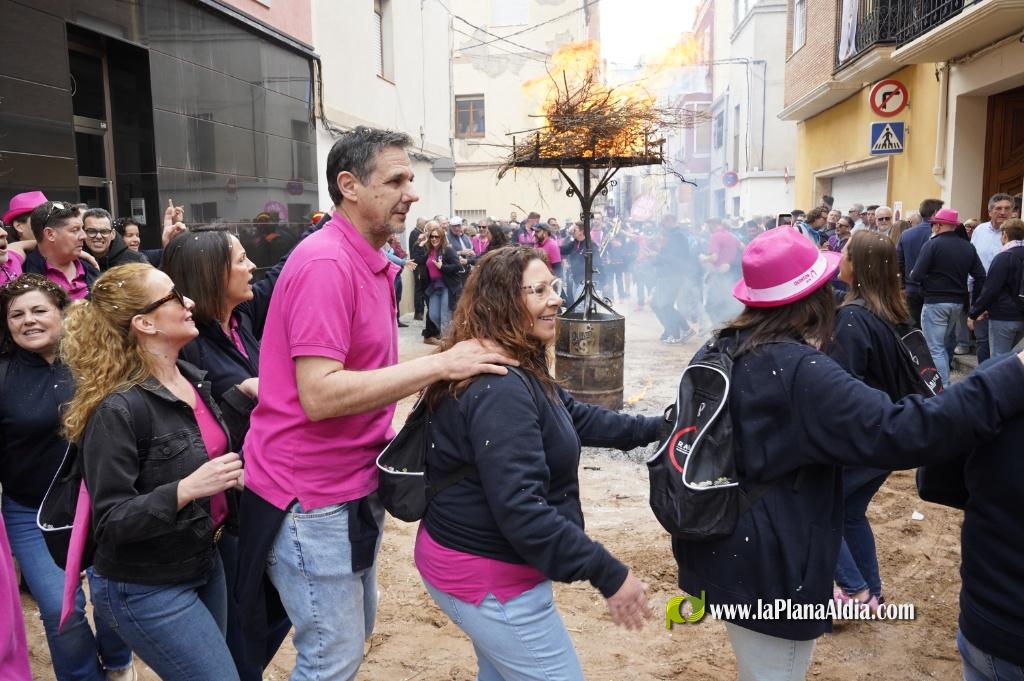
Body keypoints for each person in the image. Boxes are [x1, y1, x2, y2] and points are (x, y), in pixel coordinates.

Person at [674, 226, 1024, 681]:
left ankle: (862, 590)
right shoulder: (800, 370)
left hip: (724, 551)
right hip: (772, 567)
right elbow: (905, 431)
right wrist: (1010, 374)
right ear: (815, 296)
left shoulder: (724, 344)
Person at [237, 127, 516, 681]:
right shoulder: (326, 263)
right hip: (312, 496)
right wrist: (440, 365)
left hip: (351, 486)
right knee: (331, 658)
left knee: (349, 639)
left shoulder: (369, 258)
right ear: (349, 186)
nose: (411, 192)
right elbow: (320, 394)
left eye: (410, 179)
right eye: (396, 180)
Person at [418, 247, 659, 679]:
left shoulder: (515, 358)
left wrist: (659, 427)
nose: (556, 299)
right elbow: (522, 508)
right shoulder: (500, 387)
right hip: (485, 575)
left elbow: (573, 415)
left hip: (480, 561)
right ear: (503, 303)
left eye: (554, 287)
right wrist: (608, 573)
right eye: (540, 290)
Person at [60, 264, 240, 681]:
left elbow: (207, 454)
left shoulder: (190, 379)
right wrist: (186, 489)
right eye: (174, 296)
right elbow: (110, 521)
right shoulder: (117, 408)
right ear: (145, 323)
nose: (189, 301)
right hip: (145, 586)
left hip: (203, 560)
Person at [0, 275, 135, 681]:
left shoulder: (96, 362)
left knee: (115, 596)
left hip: (101, 504)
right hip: (30, 512)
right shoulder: (2, 375)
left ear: (63, 313)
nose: (28, 320)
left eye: (39, 310)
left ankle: (118, 662)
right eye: (16, 315)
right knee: (63, 610)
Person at [829, 231, 916, 611]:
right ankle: (871, 594)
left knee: (820, 512)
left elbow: (839, 389)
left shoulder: (852, 318)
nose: (839, 257)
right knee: (849, 513)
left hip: (863, 438)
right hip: (888, 436)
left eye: (845, 252)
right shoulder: (893, 314)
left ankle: (855, 592)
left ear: (857, 265)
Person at [910, 208, 986, 385]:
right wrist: (976, 302)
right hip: (957, 303)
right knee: (941, 346)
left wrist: (920, 279)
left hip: (935, 302)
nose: (933, 227)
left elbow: (916, 275)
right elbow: (981, 276)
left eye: (934, 224)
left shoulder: (932, 245)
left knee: (935, 348)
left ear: (939, 225)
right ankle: (943, 384)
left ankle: (943, 386)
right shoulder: (967, 247)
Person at [968, 218, 1024, 358]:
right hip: (1020, 314)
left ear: (1005, 235)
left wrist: (974, 313)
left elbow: (991, 289)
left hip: (1003, 316)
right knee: (1013, 359)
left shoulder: (1004, 257)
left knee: (999, 359)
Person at [970, 193, 1015, 364]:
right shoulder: (980, 230)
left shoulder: (1017, 233)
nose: (1003, 212)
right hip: (981, 291)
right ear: (990, 212)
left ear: (1013, 211)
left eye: (1007, 208)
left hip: (1006, 296)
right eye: (998, 208)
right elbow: (972, 260)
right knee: (982, 340)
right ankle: (984, 375)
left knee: (1004, 347)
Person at [23, 201, 98, 299]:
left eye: (82, 229)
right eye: (75, 230)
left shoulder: (92, 269)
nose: (84, 236)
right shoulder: (22, 275)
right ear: (50, 234)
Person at [898, 198, 944, 328]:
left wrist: (902, 285)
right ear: (935, 213)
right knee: (934, 330)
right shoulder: (940, 234)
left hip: (912, 289)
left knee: (915, 329)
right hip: (934, 290)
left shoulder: (906, 234)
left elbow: (899, 262)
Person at [416, 222, 463, 338]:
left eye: (437, 237)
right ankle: (449, 335)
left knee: (445, 317)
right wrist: (419, 245)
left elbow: (458, 266)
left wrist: (442, 267)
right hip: (434, 287)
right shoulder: (430, 251)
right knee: (433, 315)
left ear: (441, 238)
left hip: (447, 286)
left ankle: (446, 340)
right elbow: (418, 260)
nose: (434, 239)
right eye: (432, 237)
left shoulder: (448, 250)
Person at [82, 208, 148, 270]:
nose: (98, 236)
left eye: (104, 231)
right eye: (92, 231)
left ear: (113, 234)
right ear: (83, 232)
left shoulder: (136, 261)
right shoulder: (77, 260)